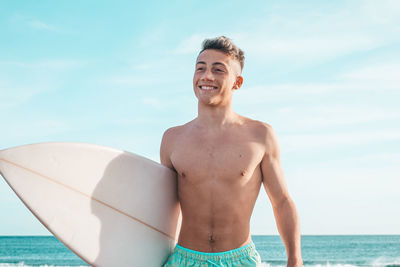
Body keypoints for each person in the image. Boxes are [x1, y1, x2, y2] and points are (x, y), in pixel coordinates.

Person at [161, 36, 302, 267]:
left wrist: (294, 259)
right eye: (200, 68)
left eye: (218, 70)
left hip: (240, 259)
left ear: (238, 82)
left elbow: (282, 202)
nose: (207, 76)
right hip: (184, 260)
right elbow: (161, 207)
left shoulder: (260, 135)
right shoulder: (172, 139)